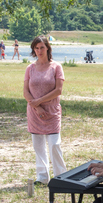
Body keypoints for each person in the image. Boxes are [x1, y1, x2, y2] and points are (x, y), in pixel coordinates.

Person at [24, 35, 67, 184]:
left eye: (42, 47)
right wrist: (37, 107)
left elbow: (58, 90)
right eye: (36, 48)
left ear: (47, 48)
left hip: (52, 111)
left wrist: (40, 102)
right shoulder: (30, 68)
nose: (39, 50)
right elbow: (25, 92)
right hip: (34, 112)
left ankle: (61, 177)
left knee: (55, 144)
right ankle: (42, 177)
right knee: (38, 146)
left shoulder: (56, 67)